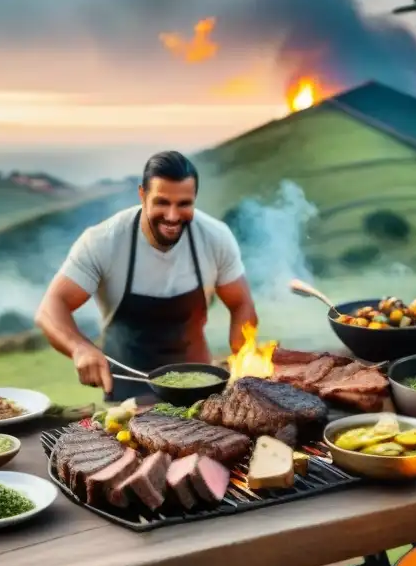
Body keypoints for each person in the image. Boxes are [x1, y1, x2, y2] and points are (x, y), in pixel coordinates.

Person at [36, 150, 258, 402]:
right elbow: (50, 308)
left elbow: (241, 303)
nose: (173, 216)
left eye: (184, 204)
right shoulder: (103, 241)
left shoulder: (215, 237)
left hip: (200, 394)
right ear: (142, 195)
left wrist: (242, 361)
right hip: (126, 396)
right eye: (162, 202)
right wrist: (80, 348)